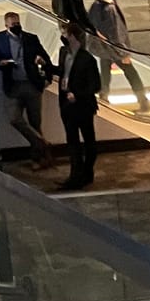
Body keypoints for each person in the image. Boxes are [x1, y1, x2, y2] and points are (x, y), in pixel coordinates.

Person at [0, 11, 54, 167]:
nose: (16, 26)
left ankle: (39, 158)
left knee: (35, 122)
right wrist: (1, 63)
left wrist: (47, 77)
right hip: (13, 86)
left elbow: (45, 58)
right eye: (13, 24)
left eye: (18, 23)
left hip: (31, 84)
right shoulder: (0, 38)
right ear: (6, 25)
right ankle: (41, 142)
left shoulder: (31, 38)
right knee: (14, 118)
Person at [87, 0, 150, 112]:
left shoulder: (96, 5)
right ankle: (143, 102)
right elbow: (117, 32)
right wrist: (123, 52)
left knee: (105, 74)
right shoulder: (110, 8)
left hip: (103, 48)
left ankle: (104, 98)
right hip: (114, 48)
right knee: (132, 74)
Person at [55, 19, 103, 188]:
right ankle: (75, 176)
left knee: (89, 140)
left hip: (83, 106)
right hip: (67, 105)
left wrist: (77, 94)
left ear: (73, 37)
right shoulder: (63, 53)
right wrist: (45, 66)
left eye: (66, 35)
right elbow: (62, 72)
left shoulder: (87, 59)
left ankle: (86, 173)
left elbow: (95, 85)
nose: (63, 38)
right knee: (72, 142)